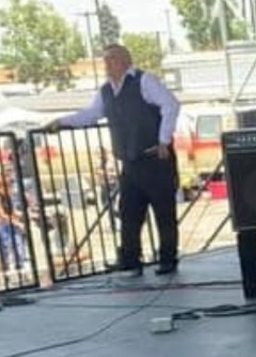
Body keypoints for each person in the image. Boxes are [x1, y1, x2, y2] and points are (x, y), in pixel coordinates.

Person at [50, 44, 181, 276]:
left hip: (154, 156)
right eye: (105, 60)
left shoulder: (144, 81)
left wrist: (164, 139)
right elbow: (90, 114)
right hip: (130, 160)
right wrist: (61, 121)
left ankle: (167, 259)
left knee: (163, 211)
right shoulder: (106, 90)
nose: (106, 64)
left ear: (124, 60)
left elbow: (170, 104)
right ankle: (131, 260)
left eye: (110, 59)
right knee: (129, 211)